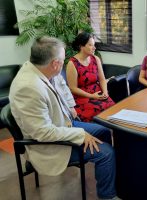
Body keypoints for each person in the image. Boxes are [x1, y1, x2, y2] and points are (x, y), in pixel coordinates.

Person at [9, 36, 120, 200]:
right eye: (62, 60)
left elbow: (62, 85)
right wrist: (80, 135)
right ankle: (107, 195)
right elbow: (43, 133)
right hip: (49, 145)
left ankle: (105, 175)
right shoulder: (29, 88)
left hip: (63, 124)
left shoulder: (42, 69)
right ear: (55, 63)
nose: (64, 63)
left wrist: (70, 105)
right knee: (107, 153)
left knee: (103, 132)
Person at [66, 32, 115, 122]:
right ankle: (98, 134)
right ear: (81, 46)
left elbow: (102, 79)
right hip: (82, 97)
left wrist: (105, 92)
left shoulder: (95, 59)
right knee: (99, 112)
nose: (94, 48)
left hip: (98, 93)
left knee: (113, 108)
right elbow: (73, 88)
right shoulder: (72, 63)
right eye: (90, 45)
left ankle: (112, 134)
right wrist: (92, 96)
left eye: (94, 45)